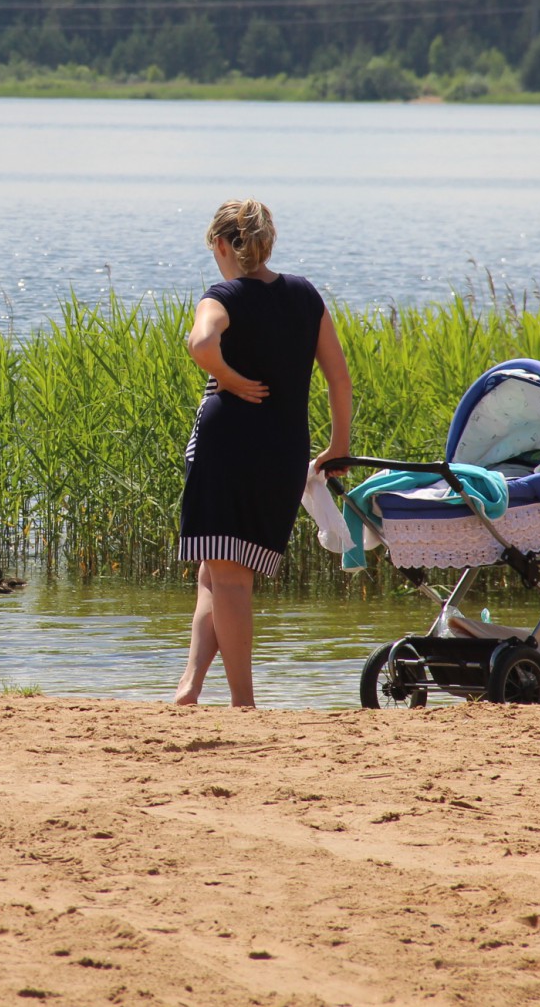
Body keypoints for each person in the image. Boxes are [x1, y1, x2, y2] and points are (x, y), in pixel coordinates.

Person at [172, 199, 352, 708]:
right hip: (284, 450)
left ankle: (243, 703)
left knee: (227, 575)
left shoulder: (222, 295)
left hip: (229, 445)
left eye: (215, 246)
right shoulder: (305, 295)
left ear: (225, 245)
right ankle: (190, 687)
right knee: (216, 570)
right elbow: (339, 378)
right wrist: (338, 446)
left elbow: (201, 344)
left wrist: (228, 379)